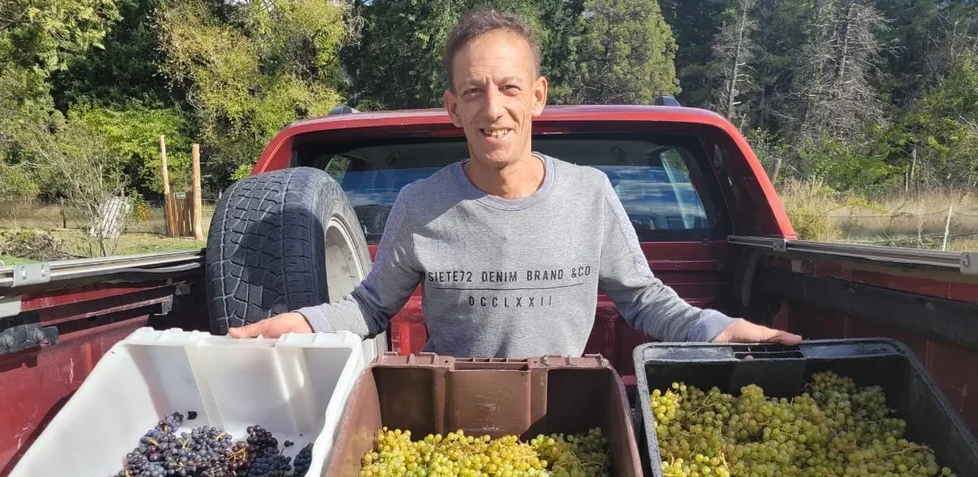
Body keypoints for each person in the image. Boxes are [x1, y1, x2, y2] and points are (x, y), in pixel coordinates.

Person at [229, 9, 801, 354]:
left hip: (564, 407)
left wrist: (719, 331)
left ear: (537, 96)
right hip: (448, 408)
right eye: (474, 91)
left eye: (508, 87)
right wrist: (301, 322)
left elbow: (644, 301)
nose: (493, 108)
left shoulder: (590, 194)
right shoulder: (420, 203)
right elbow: (370, 307)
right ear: (453, 107)